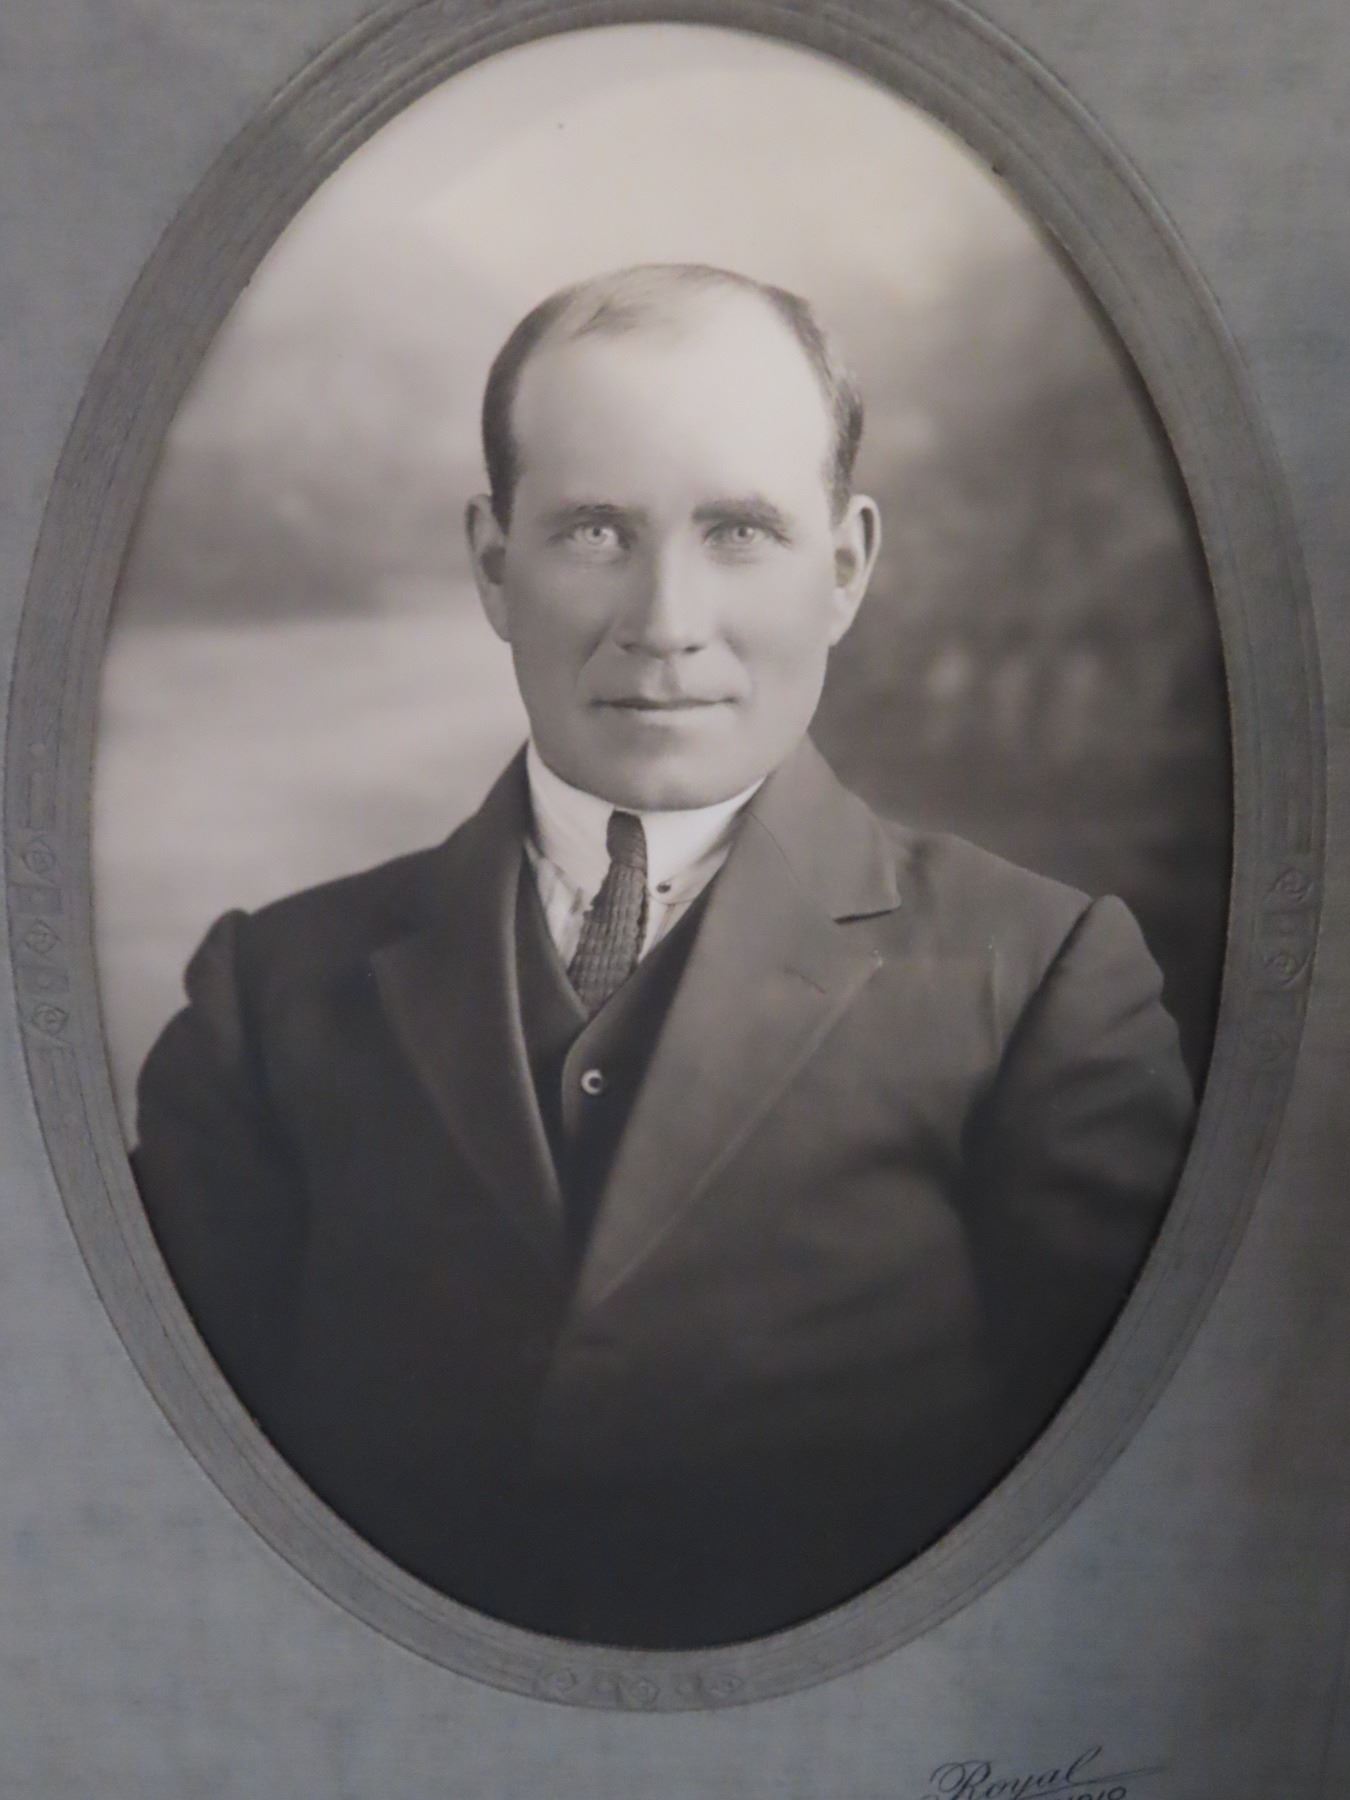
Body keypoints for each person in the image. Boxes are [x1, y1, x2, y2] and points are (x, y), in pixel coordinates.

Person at [133, 263, 1194, 1650]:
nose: (665, 620)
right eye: (593, 531)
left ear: (845, 566)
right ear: (493, 567)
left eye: (740, 530)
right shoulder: (267, 998)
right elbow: (152, 1491)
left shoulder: (1043, 981)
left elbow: (1131, 1529)